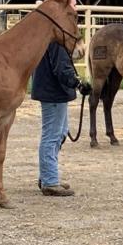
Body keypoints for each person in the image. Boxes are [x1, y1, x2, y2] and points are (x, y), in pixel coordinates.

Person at [31, 35, 91, 197]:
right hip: (54, 92)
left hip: (52, 91)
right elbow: (62, 68)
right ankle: (49, 181)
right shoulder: (57, 41)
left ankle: (48, 176)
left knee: (59, 133)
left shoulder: (52, 38)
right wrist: (77, 82)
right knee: (52, 135)